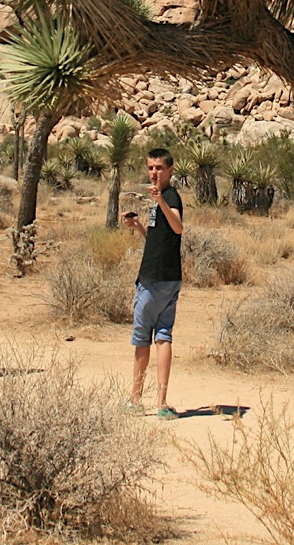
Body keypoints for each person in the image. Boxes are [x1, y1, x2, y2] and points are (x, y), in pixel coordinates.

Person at [123, 147, 184, 419]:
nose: (154, 173)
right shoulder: (161, 199)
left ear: (170, 170)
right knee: (163, 335)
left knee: (142, 338)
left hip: (154, 279)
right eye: (150, 168)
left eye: (159, 168)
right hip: (168, 277)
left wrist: (160, 201)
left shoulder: (170, 197)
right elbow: (161, 239)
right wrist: (138, 228)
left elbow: (178, 226)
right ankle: (161, 402)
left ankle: (136, 399)